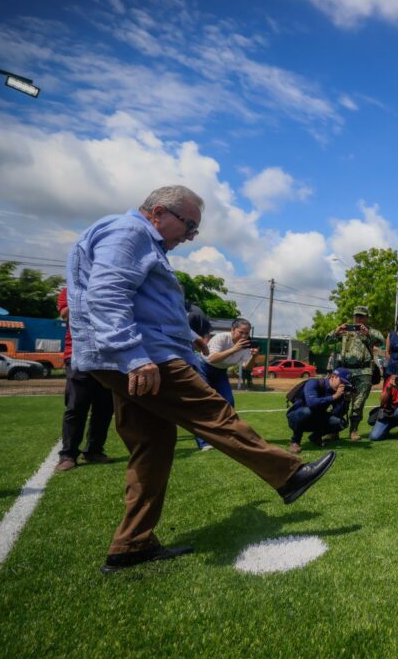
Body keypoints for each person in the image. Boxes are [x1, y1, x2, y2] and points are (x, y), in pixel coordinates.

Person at [67, 185, 334, 574]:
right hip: (144, 357)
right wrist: (133, 356)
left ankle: (132, 543)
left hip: (131, 355)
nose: (191, 236)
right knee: (213, 413)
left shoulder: (140, 239)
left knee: (153, 443)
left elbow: (146, 303)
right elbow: (107, 294)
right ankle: (288, 475)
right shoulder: (130, 233)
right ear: (159, 212)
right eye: (189, 225)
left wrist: (190, 338)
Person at [56, 287, 115, 471]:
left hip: (106, 356)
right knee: (76, 406)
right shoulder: (70, 290)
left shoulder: (107, 285)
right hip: (78, 355)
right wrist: (88, 297)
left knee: (104, 407)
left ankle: (94, 451)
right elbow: (65, 314)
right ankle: (68, 454)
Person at [193, 318, 258, 451]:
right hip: (203, 367)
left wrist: (254, 357)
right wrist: (234, 349)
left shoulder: (246, 345)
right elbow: (212, 358)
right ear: (233, 330)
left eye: (247, 333)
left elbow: (247, 367)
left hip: (220, 371)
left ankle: (225, 436)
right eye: (241, 332)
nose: (244, 336)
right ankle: (203, 442)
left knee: (228, 403)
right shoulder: (221, 338)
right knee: (205, 404)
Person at [330, 307, 384, 441]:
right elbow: (327, 341)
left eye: (361, 316)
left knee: (358, 403)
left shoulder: (370, 332)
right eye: (356, 316)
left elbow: (382, 341)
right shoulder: (344, 331)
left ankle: (354, 430)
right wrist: (336, 332)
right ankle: (334, 429)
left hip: (363, 372)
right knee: (340, 401)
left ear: (366, 318)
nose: (358, 319)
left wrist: (368, 333)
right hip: (345, 371)